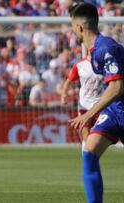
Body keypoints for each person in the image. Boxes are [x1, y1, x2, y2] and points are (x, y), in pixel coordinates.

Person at [69, 3, 124, 203]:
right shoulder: (94, 52)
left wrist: (88, 113)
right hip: (115, 111)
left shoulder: (106, 48)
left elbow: (118, 87)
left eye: (72, 26)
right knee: (90, 151)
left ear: (79, 28)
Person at [61, 58, 103, 152]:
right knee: (85, 131)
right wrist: (64, 94)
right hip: (84, 105)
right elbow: (68, 81)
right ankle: (88, 156)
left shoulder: (103, 62)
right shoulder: (79, 65)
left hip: (100, 105)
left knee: (101, 134)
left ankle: (92, 153)